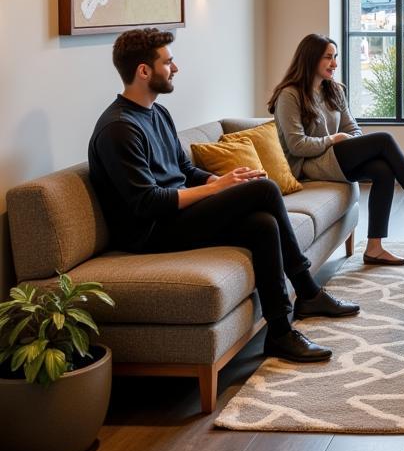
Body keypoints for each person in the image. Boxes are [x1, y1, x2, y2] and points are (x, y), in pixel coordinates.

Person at [88, 29, 357, 367]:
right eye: (168, 62)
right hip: (150, 231)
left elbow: (184, 168)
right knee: (265, 189)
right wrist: (216, 189)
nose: (176, 68)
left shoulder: (157, 113)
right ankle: (307, 289)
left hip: (176, 213)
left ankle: (279, 332)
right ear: (144, 71)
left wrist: (217, 179)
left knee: (262, 224)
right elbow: (147, 203)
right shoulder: (118, 128)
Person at [270, 33, 404, 268]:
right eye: (328, 57)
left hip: (332, 157)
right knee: (384, 139)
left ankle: (374, 248)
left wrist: (351, 143)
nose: (334, 63)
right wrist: (335, 139)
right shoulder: (290, 95)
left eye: (335, 57)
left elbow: (352, 128)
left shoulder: (333, 90)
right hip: (307, 165)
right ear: (310, 59)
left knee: (382, 170)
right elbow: (297, 145)